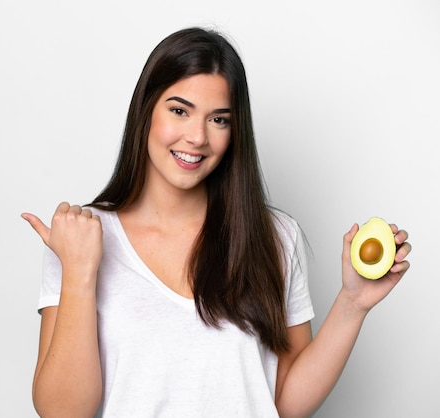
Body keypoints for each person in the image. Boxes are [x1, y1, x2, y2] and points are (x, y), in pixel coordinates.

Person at [21, 27, 411, 418]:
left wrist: (352, 305)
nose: (197, 137)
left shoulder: (274, 236)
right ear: (146, 111)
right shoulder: (83, 238)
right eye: (179, 111)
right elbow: (62, 411)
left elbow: (284, 403)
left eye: (219, 120)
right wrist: (78, 273)